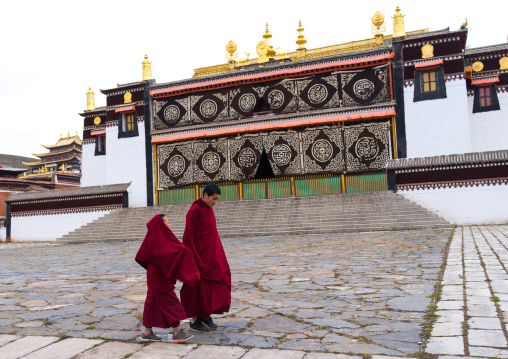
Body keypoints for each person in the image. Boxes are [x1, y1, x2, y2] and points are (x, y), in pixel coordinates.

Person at [135, 214, 200, 343]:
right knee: (170, 301)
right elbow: (166, 253)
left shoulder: (156, 236)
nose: (169, 225)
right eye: (167, 222)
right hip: (158, 276)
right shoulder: (156, 238)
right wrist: (185, 251)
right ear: (160, 225)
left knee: (152, 302)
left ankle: (147, 332)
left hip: (156, 275)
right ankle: (177, 333)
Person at [180, 183, 231, 332]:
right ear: (205, 195)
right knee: (196, 288)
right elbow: (188, 236)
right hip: (198, 256)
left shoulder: (209, 210)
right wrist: (193, 258)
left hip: (212, 256)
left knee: (215, 284)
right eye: (213, 199)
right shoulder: (194, 212)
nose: (215, 202)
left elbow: (212, 235)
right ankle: (194, 320)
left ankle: (205, 315)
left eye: (217, 200)